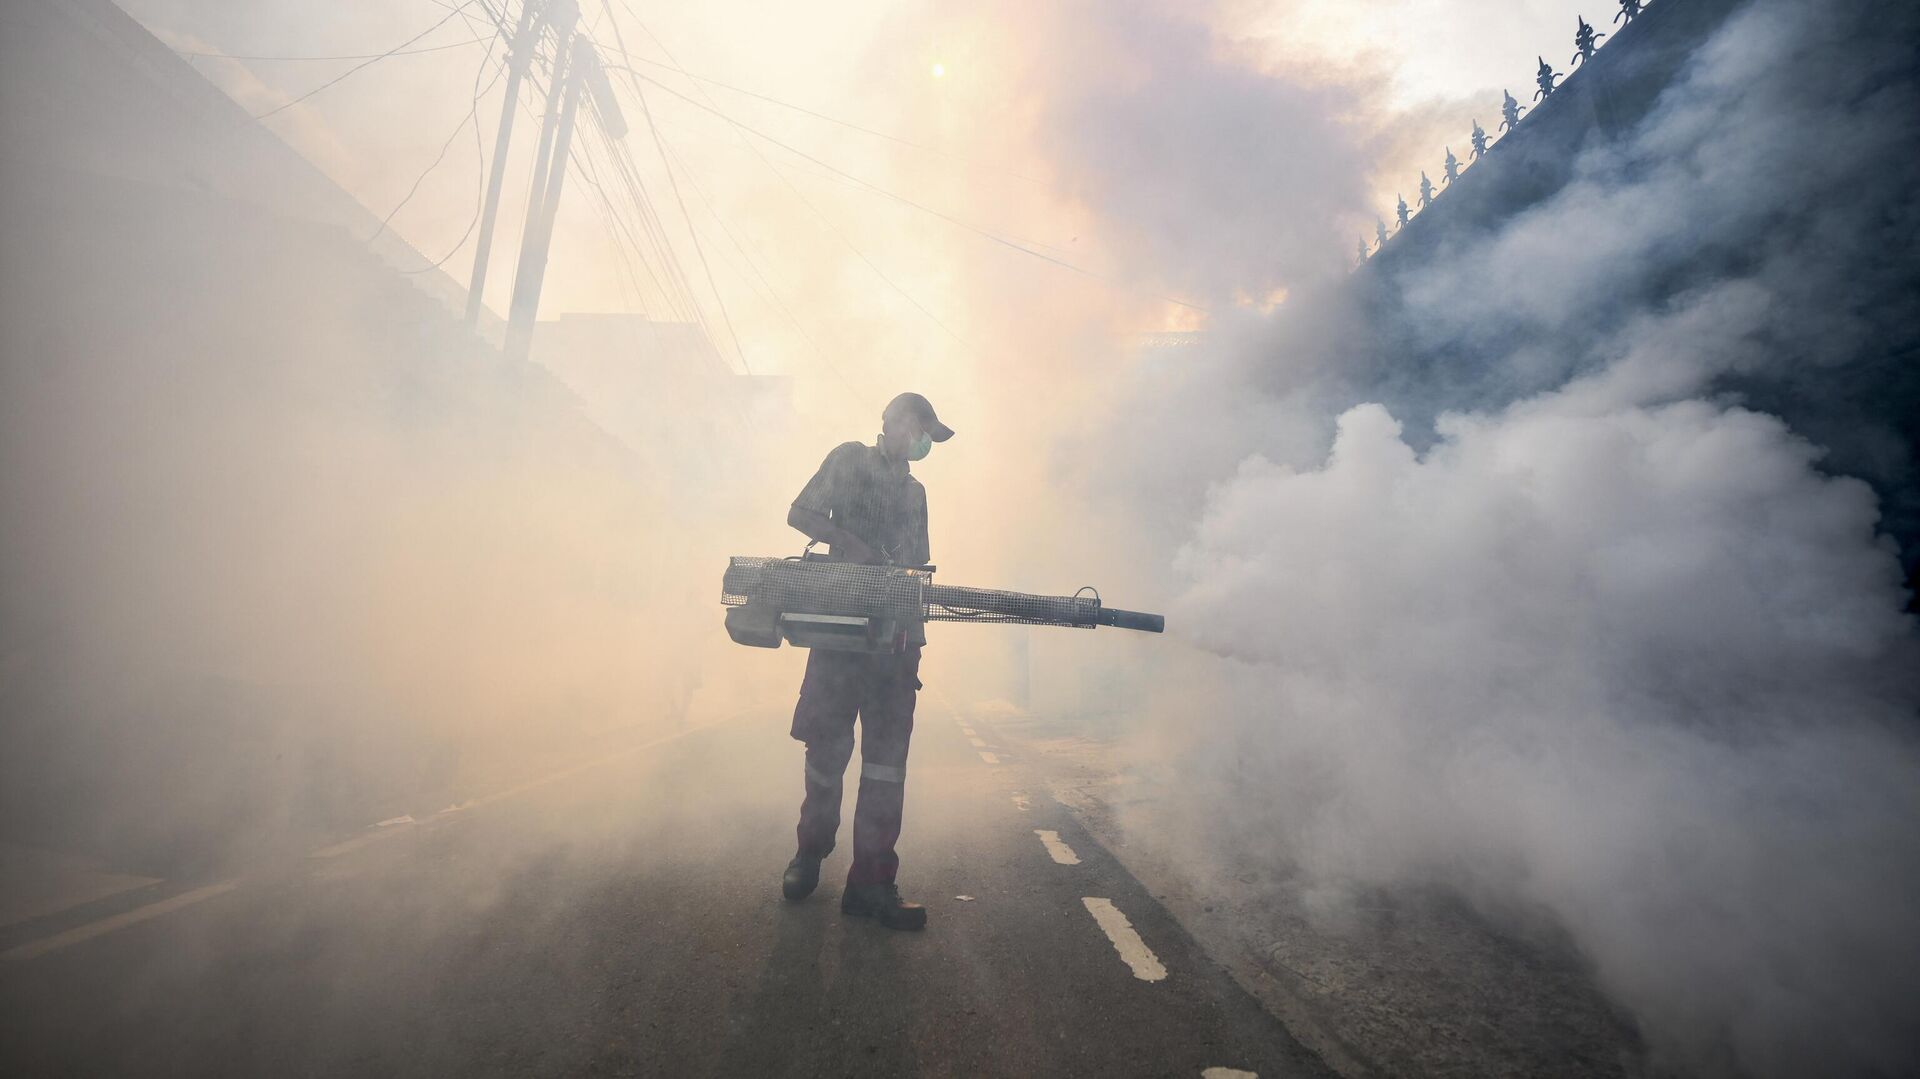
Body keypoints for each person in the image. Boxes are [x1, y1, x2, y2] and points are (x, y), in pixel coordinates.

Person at [779, 392, 953, 930]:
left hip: (896, 643)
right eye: (923, 430)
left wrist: (910, 585)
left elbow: (918, 559)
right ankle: (810, 852)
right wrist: (849, 543)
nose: (926, 443)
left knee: (884, 767)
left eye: (930, 436)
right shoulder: (849, 459)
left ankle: (871, 885)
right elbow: (799, 512)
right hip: (841, 635)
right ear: (895, 422)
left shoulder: (917, 491)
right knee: (826, 753)